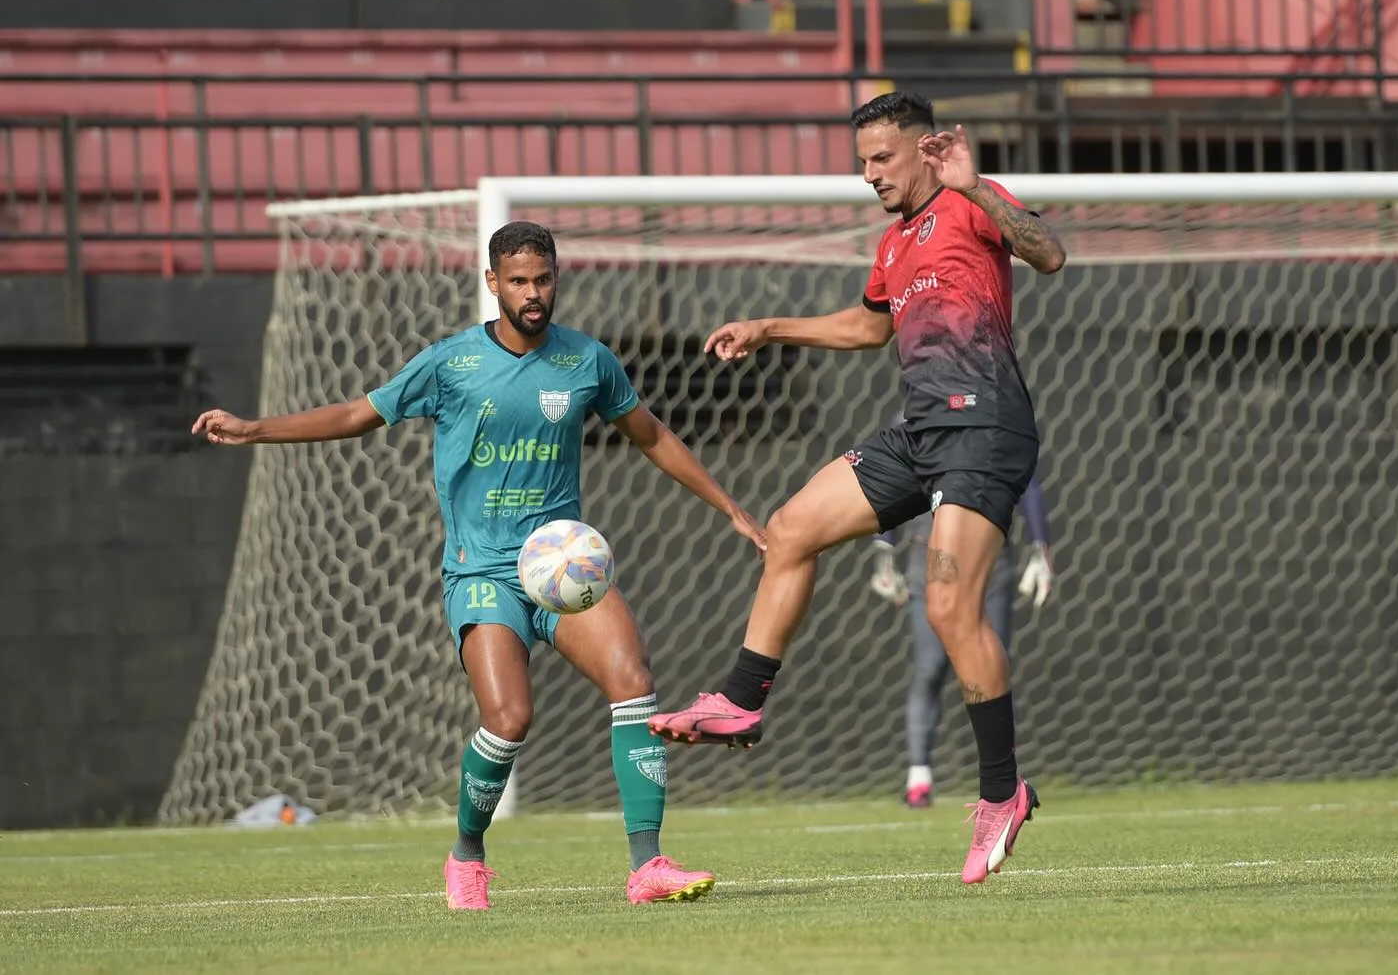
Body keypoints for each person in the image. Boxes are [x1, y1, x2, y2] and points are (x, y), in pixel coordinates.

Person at [192, 221, 767, 910]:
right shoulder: (451, 363)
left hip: (561, 569)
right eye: (518, 281)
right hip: (483, 572)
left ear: (557, 278)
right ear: (492, 282)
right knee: (509, 717)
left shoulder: (586, 360)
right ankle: (467, 855)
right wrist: (255, 427)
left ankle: (647, 866)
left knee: (633, 680)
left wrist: (728, 506)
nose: (532, 293)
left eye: (543, 279)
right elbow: (357, 413)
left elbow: (652, 435)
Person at [648, 91, 1067, 884]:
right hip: (920, 433)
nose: (870, 174)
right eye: (862, 163)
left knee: (947, 606)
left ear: (924, 149)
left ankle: (1000, 792)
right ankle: (743, 697)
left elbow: (1048, 254)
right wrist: (770, 328)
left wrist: (977, 185)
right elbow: (869, 327)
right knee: (793, 525)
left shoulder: (970, 202)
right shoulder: (893, 242)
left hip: (984, 427)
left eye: (882, 158)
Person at [870, 475, 1054, 809]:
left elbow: (1028, 480)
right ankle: (918, 777)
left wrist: (1040, 545)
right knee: (930, 667)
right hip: (930, 556)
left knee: (993, 666)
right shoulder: (914, 420)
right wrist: (884, 546)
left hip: (991, 557)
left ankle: (1004, 779)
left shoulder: (1003, 422)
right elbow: (892, 478)